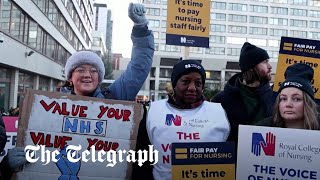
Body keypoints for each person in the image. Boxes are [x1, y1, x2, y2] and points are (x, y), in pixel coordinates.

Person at [0, 2, 154, 179]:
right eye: (80, 70)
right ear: (70, 77)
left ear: (99, 77)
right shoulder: (47, 108)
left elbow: (138, 67)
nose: (87, 75)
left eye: (94, 70)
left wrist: (141, 29)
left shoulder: (115, 98)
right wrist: (7, 165)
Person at [132, 60, 230, 180]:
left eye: (198, 83)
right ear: (175, 83)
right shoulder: (153, 111)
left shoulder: (219, 112)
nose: (192, 88)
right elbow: (141, 161)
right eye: (186, 82)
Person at [211, 42, 274, 143]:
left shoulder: (276, 98)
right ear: (252, 67)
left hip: (268, 156)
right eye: (265, 62)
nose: (270, 66)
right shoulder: (220, 101)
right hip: (234, 157)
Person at [256, 63, 319, 129]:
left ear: (308, 103)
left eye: (296, 99)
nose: (288, 104)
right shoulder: (262, 128)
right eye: (283, 99)